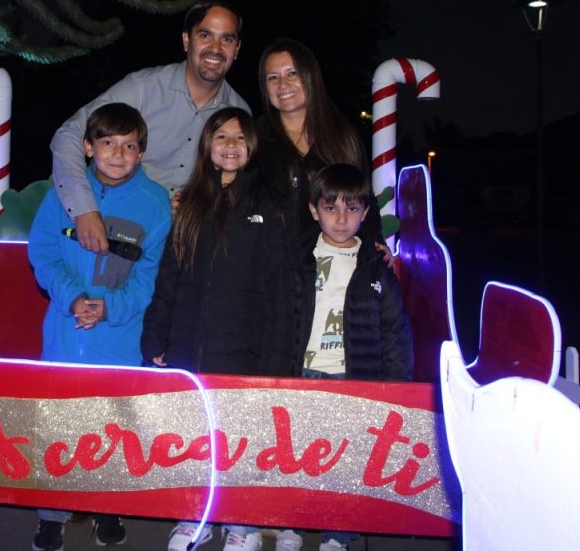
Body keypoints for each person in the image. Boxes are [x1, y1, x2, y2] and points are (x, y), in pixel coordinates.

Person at [141, 107, 291, 551]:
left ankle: (240, 521)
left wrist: (275, 358)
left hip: (244, 350)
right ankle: (197, 516)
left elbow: (281, 292)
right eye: (221, 136)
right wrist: (156, 338)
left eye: (240, 138)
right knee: (196, 438)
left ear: (254, 147)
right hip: (190, 348)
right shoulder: (190, 206)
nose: (230, 145)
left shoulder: (269, 206)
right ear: (207, 145)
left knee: (240, 439)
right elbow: (169, 278)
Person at [27, 103, 173, 551]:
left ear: (141, 152)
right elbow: (43, 254)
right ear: (88, 147)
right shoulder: (64, 192)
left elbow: (149, 278)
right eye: (108, 142)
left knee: (114, 426)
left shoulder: (154, 204)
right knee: (58, 424)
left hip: (119, 338)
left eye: (129, 145)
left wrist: (107, 308)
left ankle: (109, 506)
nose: (117, 153)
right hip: (65, 334)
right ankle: (52, 513)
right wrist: (74, 298)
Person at [50, 0, 250, 255]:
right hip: (115, 227)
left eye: (227, 39)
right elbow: (69, 135)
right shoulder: (143, 89)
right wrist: (84, 210)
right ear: (187, 40)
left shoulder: (238, 114)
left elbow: (235, 187)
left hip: (183, 242)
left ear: (237, 49)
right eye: (205, 35)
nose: (216, 48)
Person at [293, 163, 414, 551]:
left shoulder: (376, 266)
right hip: (302, 374)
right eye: (331, 208)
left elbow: (394, 332)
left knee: (344, 461)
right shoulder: (297, 258)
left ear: (365, 212)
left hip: (352, 376)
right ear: (314, 210)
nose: (341, 219)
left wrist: (396, 390)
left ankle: (337, 534)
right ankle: (290, 526)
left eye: (352, 209)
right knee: (297, 455)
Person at [255, 37, 384, 246]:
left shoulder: (342, 136)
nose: (283, 84)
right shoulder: (253, 138)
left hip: (332, 263)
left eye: (292, 73)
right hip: (271, 263)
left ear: (310, 77)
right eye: (272, 78)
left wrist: (376, 243)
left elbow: (363, 197)